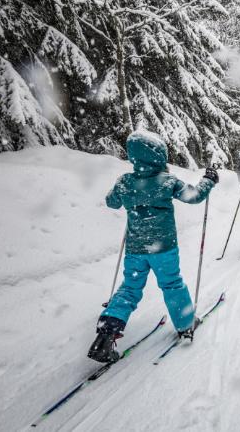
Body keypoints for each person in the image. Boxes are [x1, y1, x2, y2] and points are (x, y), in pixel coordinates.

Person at [87, 131, 219, 363]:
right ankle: (185, 324)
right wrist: (209, 180)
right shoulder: (167, 181)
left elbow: (111, 202)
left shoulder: (125, 182)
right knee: (171, 283)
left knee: (129, 288)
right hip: (164, 248)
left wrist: (128, 194)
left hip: (136, 248)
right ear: (158, 155)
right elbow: (194, 196)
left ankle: (106, 334)